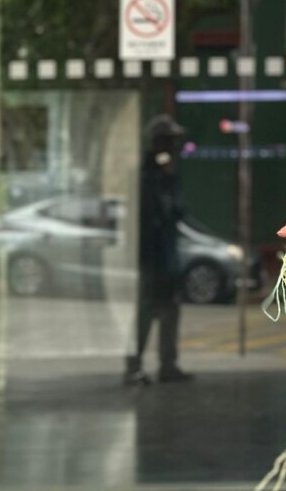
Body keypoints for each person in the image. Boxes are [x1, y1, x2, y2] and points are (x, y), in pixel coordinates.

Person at [125, 114, 192, 385]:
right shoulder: (146, 176)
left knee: (169, 309)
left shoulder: (166, 175)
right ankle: (134, 365)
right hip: (151, 255)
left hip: (166, 254)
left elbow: (178, 211)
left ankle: (168, 363)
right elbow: (152, 214)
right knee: (147, 311)